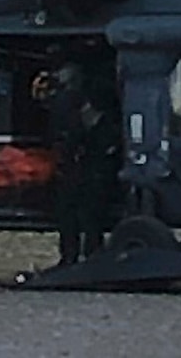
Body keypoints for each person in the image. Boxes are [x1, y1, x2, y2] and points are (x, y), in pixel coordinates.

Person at [53, 92, 120, 266]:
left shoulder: (107, 130)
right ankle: (71, 255)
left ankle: (92, 255)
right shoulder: (80, 127)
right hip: (80, 178)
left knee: (92, 218)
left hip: (95, 179)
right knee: (70, 215)